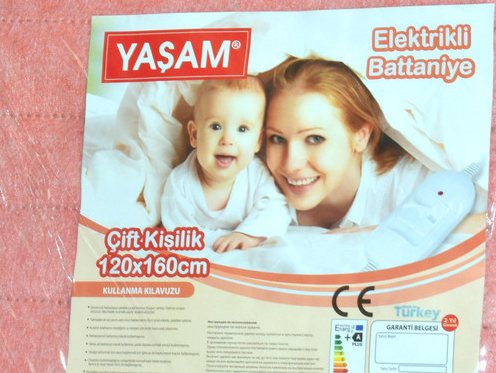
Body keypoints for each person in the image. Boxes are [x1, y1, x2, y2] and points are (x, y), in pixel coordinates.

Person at [264, 57, 428, 229]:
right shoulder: (254, 179)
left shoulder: (410, 185)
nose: (291, 165)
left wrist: (378, 233)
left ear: (361, 136)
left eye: (315, 138)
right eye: (278, 139)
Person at [161, 76, 292, 252]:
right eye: (216, 126)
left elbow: (277, 210)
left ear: (258, 141)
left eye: (242, 129)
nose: (227, 139)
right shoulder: (180, 184)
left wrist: (247, 235)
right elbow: (179, 234)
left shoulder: (257, 175)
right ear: (194, 135)